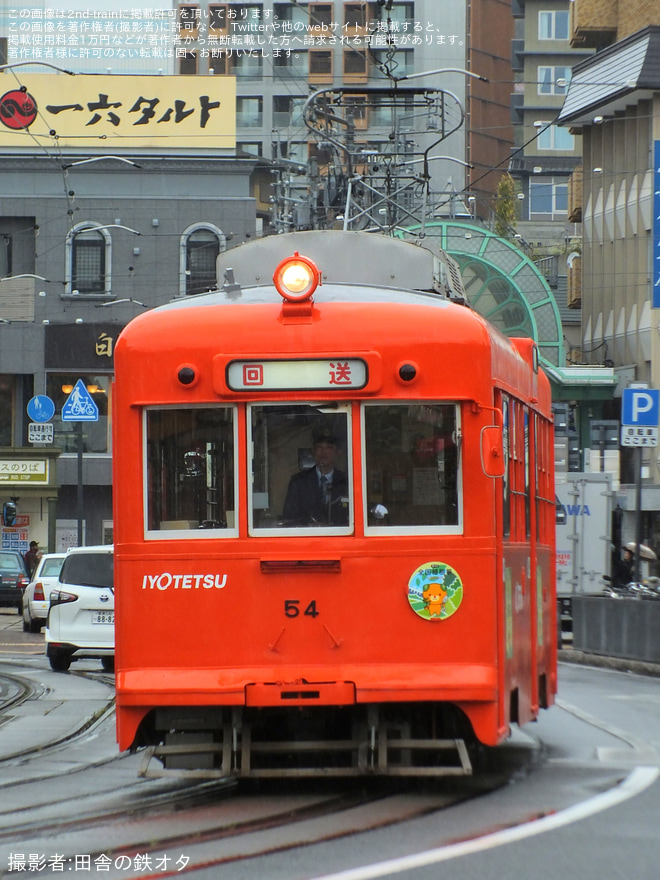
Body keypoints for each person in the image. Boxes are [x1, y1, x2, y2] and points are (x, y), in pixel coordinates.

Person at [282, 427, 349, 526]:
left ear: (338, 453)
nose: (324, 452)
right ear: (313, 451)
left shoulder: (347, 481)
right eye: (319, 447)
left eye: (329, 448)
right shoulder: (299, 482)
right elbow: (289, 519)